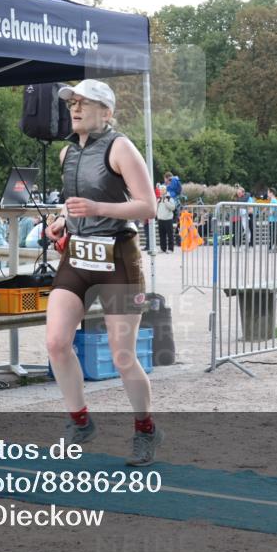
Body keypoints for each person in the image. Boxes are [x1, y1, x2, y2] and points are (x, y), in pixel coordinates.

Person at [45, 79, 160, 466]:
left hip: (118, 257)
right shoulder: (66, 152)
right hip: (78, 255)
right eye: (72, 103)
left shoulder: (120, 147)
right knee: (56, 342)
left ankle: (145, 429)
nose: (75, 109)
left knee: (123, 355)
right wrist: (61, 221)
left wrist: (98, 209)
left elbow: (148, 207)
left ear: (106, 112)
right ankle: (80, 422)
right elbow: (73, 204)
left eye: (85, 103)